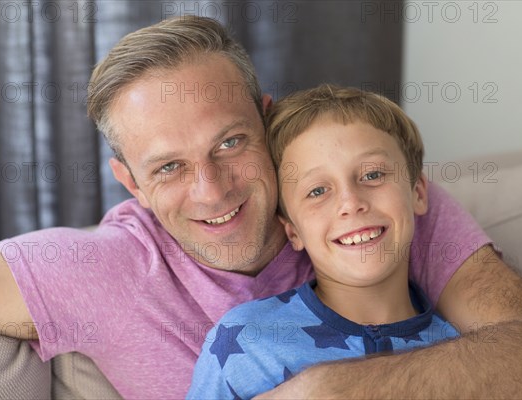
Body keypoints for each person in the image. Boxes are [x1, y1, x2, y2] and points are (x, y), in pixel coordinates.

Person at [0, 16, 522, 399]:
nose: (212, 189)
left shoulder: (377, 210)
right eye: (169, 168)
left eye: (229, 143)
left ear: (266, 120)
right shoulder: (94, 268)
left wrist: (326, 393)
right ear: (131, 184)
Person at [187, 85, 460, 399]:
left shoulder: (461, 349)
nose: (350, 202)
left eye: (372, 175)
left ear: (418, 194)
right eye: (317, 191)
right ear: (293, 232)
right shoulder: (245, 343)